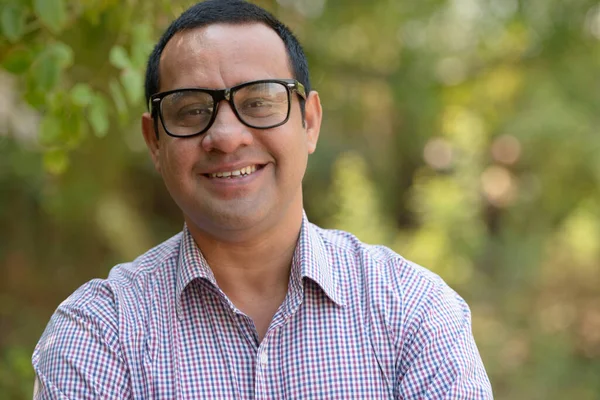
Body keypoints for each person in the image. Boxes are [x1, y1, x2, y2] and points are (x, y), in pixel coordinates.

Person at [32, 0, 493, 398]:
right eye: (192, 110)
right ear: (155, 141)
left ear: (309, 122)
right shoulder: (96, 333)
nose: (227, 137)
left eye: (258, 102)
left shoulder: (413, 312)